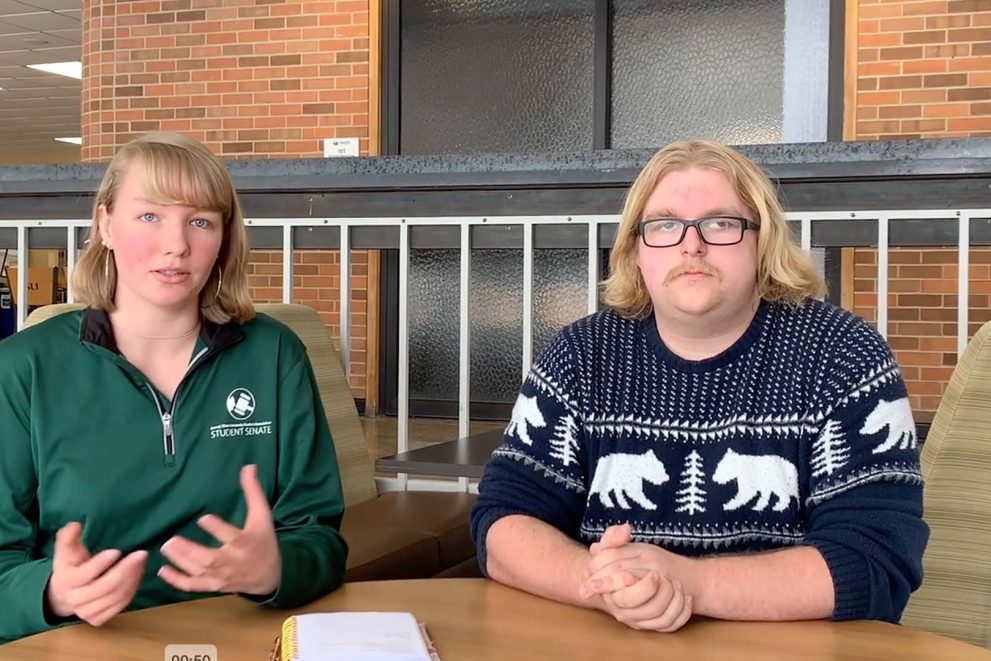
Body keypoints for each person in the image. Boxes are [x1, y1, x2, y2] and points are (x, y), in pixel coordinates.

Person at [470, 139, 929, 632]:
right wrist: (604, 584)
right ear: (636, 251)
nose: (692, 245)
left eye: (720, 223)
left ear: (762, 242)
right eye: (665, 224)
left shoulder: (842, 354)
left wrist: (688, 583)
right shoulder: (582, 354)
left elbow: (876, 561)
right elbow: (502, 523)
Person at [0, 132, 348, 643]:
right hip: (83, 643)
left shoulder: (275, 355)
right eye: (149, 216)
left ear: (223, 239)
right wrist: (51, 592)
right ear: (106, 225)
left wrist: (275, 569)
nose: (177, 244)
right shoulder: (22, 367)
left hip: (243, 639)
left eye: (200, 221)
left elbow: (319, 537)